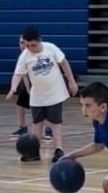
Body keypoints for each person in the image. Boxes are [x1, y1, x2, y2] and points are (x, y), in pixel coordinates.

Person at [6, 26, 79, 163]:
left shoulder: (51, 48)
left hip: (55, 92)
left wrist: (71, 81)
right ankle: (33, 152)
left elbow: (64, 63)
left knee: (55, 122)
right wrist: (13, 87)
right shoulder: (25, 56)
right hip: (37, 95)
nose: (30, 48)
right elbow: (18, 73)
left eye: (33, 45)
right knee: (37, 124)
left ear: (40, 40)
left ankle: (58, 149)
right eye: (27, 45)